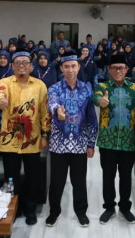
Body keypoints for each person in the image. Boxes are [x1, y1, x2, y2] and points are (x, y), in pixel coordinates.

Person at [0, 51, 50, 226]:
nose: (21, 65)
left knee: (32, 177)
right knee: (11, 178)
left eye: (25, 62)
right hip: (9, 140)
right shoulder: (4, 82)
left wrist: (45, 135)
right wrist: (0, 101)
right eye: (17, 62)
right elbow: (0, 94)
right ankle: (14, 209)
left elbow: (44, 112)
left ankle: (30, 209)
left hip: (32, 140)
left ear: (31, 66)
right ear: (12, 66)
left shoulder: (40, 86)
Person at [45, 51, 98, 228]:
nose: (70, 70)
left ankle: (81, 212)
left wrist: (91, 143)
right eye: (66, 66)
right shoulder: (54, 88)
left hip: (80, 144)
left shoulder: (87, 89)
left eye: (73, 66)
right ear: (61, 68)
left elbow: (91, 118)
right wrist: (57, 111)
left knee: (79, 181)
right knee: (56, 182)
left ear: (78, 67)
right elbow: (51, 103)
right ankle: (54, 212)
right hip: (58, 144)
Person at [92, 53, 135, 225]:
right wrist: (101, 101)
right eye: (114, 68)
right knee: (108, 176)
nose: (118, 71)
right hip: (107, 141)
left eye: (121, 68)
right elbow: (95, 97)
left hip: (128, 141)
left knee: (126, 176)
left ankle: (125, 207)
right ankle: (109, 207)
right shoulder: (102, 86)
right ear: (109, 69)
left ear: (127, 69)